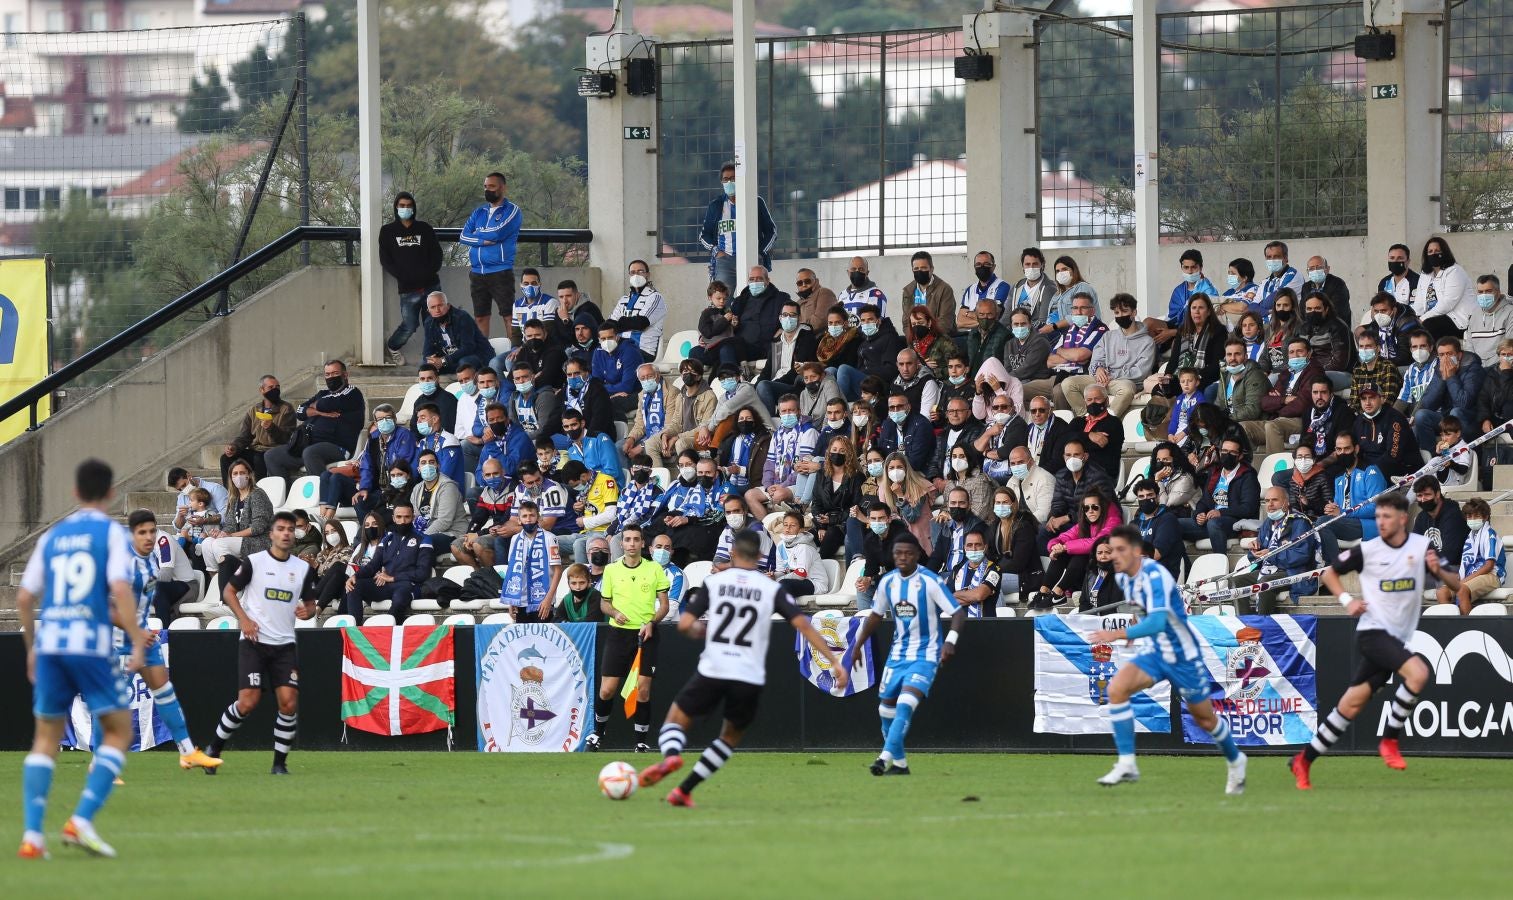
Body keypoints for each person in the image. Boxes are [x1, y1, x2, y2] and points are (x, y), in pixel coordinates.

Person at [637, 530, 843, 807]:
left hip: (714, 667)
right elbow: (803, 624)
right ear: (760, 556)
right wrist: (833, 660)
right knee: (730, 737)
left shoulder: (715, 583)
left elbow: (685, 624)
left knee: (675, 720)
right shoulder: (771, 589)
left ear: (732, 553)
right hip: (748, 675)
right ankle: (684, 790)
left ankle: (672, 754)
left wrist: (703, 631)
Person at [16, 460, 151, 859]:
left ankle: (32, 838)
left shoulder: (53, 535)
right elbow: (120, 590)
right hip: (90, 644)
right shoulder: (110, 533)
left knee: (45, 738)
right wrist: (138, 641)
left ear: (75, 493)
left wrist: (31, 649)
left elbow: (24, 598)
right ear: (110, 493)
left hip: (52, 642)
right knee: (119, 730)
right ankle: (82, 820)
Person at [1089, 526, 1247, 793]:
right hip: (1154, 653)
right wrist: (1134, 629)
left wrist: (1118, 633)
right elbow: (1144, 611)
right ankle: (1127, 762)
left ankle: (1236, 759)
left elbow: (1160, 621)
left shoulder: (1155, 576)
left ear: (1137, 551)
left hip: (1182, 656)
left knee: (1205, 720)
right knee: (1117, 689)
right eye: (1111, 550)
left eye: (1120, 549)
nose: (1113, 555)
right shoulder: (1124, 578)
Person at [1289, 493, 1432, 789]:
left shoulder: (1418, 547)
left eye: (1386, 516)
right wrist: (1346, 600)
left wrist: (1444, 572)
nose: (1380, 522)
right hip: (1373, 633)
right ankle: (1390, 741)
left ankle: (1303, 759)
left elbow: (1447, 576)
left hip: (1395, 637)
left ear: (1403, 519)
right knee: (1418, 674)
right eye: (1377, 516)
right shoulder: (1368, 549)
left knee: (1350, 706)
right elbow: (1329, 574)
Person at [842, 532, 968, 776]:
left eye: (908, 553)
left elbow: (958, 613)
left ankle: (883, 757)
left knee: (905, 703)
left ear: (918, 555)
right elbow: (876, 616)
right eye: (898, 553)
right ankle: (900, 764)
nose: (902, 558)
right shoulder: (888, 582)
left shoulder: (930, 581)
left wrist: (950, 642)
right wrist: (857, 646)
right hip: (897, 655)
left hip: (926, 654)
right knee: (885, 710)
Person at [204, 511, 317, 780]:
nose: (287, 533)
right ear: (272, 534)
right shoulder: (255, 562)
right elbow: (229, 591)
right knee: (247, 703)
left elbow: (311, 605)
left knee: (289, 703)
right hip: (254, 643)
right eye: (281, 528)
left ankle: (280, 764)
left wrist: (309, 611)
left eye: (291, 529)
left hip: (284, 645)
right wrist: (243, 619)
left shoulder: (302, 569)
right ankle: (214, 749)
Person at [590, 524, 671, 753]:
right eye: (627, 539)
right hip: (618, 634)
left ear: (643, 543)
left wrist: (651, 623)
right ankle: (598, 733)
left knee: (643, 690)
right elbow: (605, 603)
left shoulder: (655, 569)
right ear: (622, 543)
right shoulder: (611, 570)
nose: (632, 544)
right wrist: (615, 613)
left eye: (636, 539)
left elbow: (664, 605)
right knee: (607, 690)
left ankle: (641, 742)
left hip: (646, 634)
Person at [264, 360, 366, 478]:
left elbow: (326, 404)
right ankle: (285, 493)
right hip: (307, 444)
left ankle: (323, 492)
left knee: (311, 453)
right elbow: (300, 411)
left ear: (345, 375)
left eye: (335, 373)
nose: (331, 377)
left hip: (337, 446)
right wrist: (320, 412)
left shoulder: (352, 393)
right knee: (271, 455)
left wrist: (315, 406)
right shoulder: (322, 393)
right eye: (327, 374)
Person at [1061, 293, 1153, 417]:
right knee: (1068, 384)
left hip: (1125, 381)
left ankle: (1107, 420)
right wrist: (1098, 369)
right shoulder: (1108, 336)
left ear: (1134, 312)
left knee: (1126, 390)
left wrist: (1111, 375)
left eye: (1124, 311)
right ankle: (1086, 419)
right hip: (1101, 378)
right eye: (1116, 313)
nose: (1120, 316)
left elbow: (1140, 371)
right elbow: (1096, 359)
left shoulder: (1147, 341)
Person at [378, 190, 443, 365]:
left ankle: (432, 358)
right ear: (396, 208)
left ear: (414, 208)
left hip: (431, 286)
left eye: (409, 206)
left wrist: (427, 274)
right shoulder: (387, 231)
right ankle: (393, 346)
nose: (405, 209)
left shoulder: (424, 229)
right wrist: (405, 277)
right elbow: (386, 260)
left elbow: (437, 255)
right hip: (407, 289)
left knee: (434, 323)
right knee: (410, 325)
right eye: (402, 206)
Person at [321, 404, 416, 523]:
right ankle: (328, 519)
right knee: (353, 493)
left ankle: (365, 530)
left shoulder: (404, 435)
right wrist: (364, 488)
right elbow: (367, 466)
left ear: (395, 419)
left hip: (396, 488)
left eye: (388, 418)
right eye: (381, 419)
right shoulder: (374, 438)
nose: (385, 421)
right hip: (376, 488)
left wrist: (389, 488)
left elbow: (402, 465)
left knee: (361, 502)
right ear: (375, 423)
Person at [341, 502, 433, 624]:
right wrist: (355, 576)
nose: (403, 521)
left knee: (400, 599)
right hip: (385, 585)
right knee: (355, 586)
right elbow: (373, 566)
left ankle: (387, 632)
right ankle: (355, 631)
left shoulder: (424, 539)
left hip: (408, 585)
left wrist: (393, 578)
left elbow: (423, 573)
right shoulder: (386, 539)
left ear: (413, 517)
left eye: (407, 517)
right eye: (399, 517)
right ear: (393, 518)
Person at [1232, 486, 1319, 614]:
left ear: (1286, 502)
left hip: (1293, 571)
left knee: (1265, 583)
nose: (1270, 504)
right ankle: (1246, 623)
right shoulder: (1268, 522)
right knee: (1236, 582)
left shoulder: (1299, 522)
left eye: (1275, 500)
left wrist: (1271, 554)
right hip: (1269, 569)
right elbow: (1260, 555)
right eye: (1267, 501)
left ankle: (1264, 623)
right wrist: (1254, 551)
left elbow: (1302, 556)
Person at [458, 171, 522, 337]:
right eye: (485, 187)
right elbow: (463, 236)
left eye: (492, 186)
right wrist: (482, 240)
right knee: (480, 317)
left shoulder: (513, 211)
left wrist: (478, 233)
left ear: (503, 188)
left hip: (500, 272)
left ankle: (513, 356)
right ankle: (483, 356)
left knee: (509, 316)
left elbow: (497, 234)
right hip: (477, 272)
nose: (488, 190)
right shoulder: (479, 212)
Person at [1038, 485, 1121, 611]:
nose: (1090, 511)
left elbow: (1096, 543)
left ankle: (1059, 592)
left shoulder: (1113, 521)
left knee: (1080, 555)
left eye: (1095, 507)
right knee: (1062, 554)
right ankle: (1044, 591)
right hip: (1084, 573)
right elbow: (1064, 537)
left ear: (1102, 508)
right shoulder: (1084, 523)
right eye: (1086, 508)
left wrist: (1065, 547)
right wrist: (1055, 547)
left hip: (1107, 572)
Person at [700, 161, 775, 288]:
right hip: (725, 261)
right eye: (726, 179)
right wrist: (716, 251)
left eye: (733, 179)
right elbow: (704, 235)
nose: (729, 182)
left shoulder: (755, 202)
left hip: (752, 259)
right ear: (721, 182)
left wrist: (760, 252)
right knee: (722, 300)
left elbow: (771, 232)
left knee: (755, 299)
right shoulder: (716, 205)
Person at [1318, 431, 1388, 565]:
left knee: (1322, 523)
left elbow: (1376, 508)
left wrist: (1342, 512)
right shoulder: (1339, 477)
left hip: (1370, 524)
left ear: (1356, 449)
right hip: (1349, 523)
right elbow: (1339, 508)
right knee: (1317, 523)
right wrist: (1332, 508)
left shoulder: (1370, 471)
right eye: (1339, 449)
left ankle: (1335, 567)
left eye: (1347, 448)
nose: (1343, 453)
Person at [647, 453, 728, 567]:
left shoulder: (725, 489)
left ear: (715, 474)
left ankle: (675, 569)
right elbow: (688, 509)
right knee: (661, 525)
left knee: (685, 535)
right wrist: (673, 518)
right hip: (693, 520)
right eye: (700, 473)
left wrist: (688, 520)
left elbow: (717, 517)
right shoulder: (697, 486)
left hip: (711, 527)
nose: (703, 476)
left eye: (708, 472)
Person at [1180, 436, 1259, 553]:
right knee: (1171, 523)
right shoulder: (1215, 472)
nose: (1227, 454)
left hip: (1234, 522)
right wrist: (1199, 514)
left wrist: (1220, 512)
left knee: (1214, 523)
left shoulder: (1247, 476)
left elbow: (1248, 508)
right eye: (1225, 451)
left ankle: (1220, 561)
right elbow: (1204, 501)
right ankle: (1184, 565)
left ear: (1240, 456)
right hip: (1211, 521)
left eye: (1232, 452)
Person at [1430, 500, 1506, 615]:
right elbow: (1466, 564)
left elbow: (1489, 566)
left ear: (1485, 517)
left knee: (1461, 589)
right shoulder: (1469, 538)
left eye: (1477, 516)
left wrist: (1464, 581)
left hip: (1492, 575)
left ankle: (1466, 628)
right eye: (1469, 516)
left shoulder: (1490, 535)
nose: (1472, 519)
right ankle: (1451, 627)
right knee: (1442, 592)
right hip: (1471, 576)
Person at [199, 460, 272, 576]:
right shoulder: (234, 498)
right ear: (231, 477)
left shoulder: (257, 494)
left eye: (242, 473)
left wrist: (230, 535)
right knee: (207, 543)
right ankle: (215, 579)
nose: (239, 476)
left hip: (258, 541)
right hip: (238, 540)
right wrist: (221, 533)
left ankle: (231, 579)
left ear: (249, 475)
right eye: (235, 474)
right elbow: (230, 525)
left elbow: (258, 527)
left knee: (220, 544)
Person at [1148, 293, 1225, 399]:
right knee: (1158, 390)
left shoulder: (1219, 331)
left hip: (1203, 377)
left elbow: (1217, 364)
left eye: (1201, 308)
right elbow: (1173, 360)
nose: (1197, 311)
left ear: (1208, 312)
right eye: (1194, 308)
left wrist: (1193, 376)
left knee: (1189, 388)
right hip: (1181, 378)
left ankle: (1176, 412)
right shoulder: (1183, 331)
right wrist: (1168, 375)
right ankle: (1169, 413)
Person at [1257, 337, 1327, 453]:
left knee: (1272, 426)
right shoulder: (1286, 373)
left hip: (1301, 420)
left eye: (1300, 351)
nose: (1295, 355)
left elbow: (1301, 405)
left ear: (1309, 354)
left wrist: (1277, 406)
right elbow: (1264, 402)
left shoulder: (1315, 372)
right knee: (1243, 427)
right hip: (1278, 419)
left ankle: (1275, 469)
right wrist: (1284, 400)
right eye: (1291, 352)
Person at [497, 500, 563, 621]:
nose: (528, 519)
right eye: (524, 516)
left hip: (542, 600)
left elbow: (558, 571)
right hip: (520, 600)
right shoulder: (515, 539)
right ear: (519, 520)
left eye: (532, 515)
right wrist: (512, 599)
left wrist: (548, 599)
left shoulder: (550, 538)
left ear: (538, 517)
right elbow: (512, 570)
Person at [222, 375, 295, 481]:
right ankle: (230, 494)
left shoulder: (286, 409)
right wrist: (234, 447)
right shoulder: (254, 410)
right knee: (226, 458)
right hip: (255, 450)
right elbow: (245, 436)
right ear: (262, 390)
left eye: (277, 387)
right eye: (271, 387)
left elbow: (286, 438)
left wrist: (271, 428)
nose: (275, 390)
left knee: (259, 459)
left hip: (273, 451)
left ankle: (259, 494)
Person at [754, 299, 819, 412]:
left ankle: (772, 423)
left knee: (764, 386)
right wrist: (754, 388)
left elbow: (796, 371)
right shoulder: (776, 342)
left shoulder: (806, 338)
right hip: (774, 385)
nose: (788, 318)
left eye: (792, 315)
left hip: (794, 386)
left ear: (799, 318)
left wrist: (772, 384)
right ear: (780, 318)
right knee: (748, 389)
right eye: (785, 315)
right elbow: (767, 371)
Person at [1044, 438, 1115, 538]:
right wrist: (1052, 517)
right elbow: (1058, 503)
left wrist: (1067, 517)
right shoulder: (1061, 475)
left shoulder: (1097, 476)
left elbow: (1098, 508)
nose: (1072, 459)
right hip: (1074, 523)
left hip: (1095, 523)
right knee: (1044, 530)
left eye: (1076, 454)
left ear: (1085, 456)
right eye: (1068, 455)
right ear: (1064, 457)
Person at [1147, 248, 1219, 344]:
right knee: (1148, 323)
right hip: (1177, 325)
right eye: (1186, 267)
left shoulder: (1208, 291)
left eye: (1193, 267)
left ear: (1200, 268)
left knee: (1176, 343)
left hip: (1195, 330)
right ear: (1181, 268)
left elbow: (1205, 322)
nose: (1189, 271)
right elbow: (1172, 317)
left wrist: (1172, 333)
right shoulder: (1179, 290)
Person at [451, 457, 511, 570]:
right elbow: (478, 519)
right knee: (456, 546)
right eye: (488, 475)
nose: (492, 477)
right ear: (483, 476)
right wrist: (469, 535)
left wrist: (478, 534)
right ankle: (478, 577)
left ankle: (494, 580)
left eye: (495, 473)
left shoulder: (514, 489)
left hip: (506, 532)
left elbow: (505, 521)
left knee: (479, 544)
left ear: (503, 472)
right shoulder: (486, 491)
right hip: (493, 531)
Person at [1353, 383, 1420, 480]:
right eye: (1363, 398)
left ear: (1382, 399)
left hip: (1401, 471)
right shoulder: (1359, 421)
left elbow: (1393, 456)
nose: (1367, 402)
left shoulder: (1395, 419)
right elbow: (1356, 452)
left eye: (1372, 398)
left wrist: (1368, 472)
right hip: (1370, 472)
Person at [837, 306, 903, 402]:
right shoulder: (863, 343)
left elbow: (891, 370)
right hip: (864, 384)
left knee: (844, 368)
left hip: (879, 385)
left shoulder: (890, 338)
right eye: (863, 320)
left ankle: (838, 405)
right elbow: (859, 367)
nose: (866, 323)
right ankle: (830, 407)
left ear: (879, 321)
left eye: (870, 319)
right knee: (831, 371)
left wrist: (866, 371)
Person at [421, 290, 493, 376]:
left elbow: (468, 347)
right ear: (428, 311)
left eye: (440, 305)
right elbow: (427, 351)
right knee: (425, 365)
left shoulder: (462, 317)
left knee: (464, 363)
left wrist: (443, 361)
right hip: (450, 359)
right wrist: (431, 361)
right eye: (433, 307)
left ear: (448, 306)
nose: (437, 310)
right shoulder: (429, 323)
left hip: (477, 355)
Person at [988, 487, 1042, 602]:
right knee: (983, 581)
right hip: (1003, 572)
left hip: (1025, 577)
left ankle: (992, 619)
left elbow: (1018, 564)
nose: (1001, 505)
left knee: (989, 583)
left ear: (1013, 504)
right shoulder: (994, 526)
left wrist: (995, 569)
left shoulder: (1023, 527)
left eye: (1005, 502)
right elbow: (990, 555)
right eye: (998, 502)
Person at [1417, 235, 1475, 341]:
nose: (1433, 254)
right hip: (1433, 316)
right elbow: (1419, 302)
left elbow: (1447, 303)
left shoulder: (1455, 271)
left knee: (1429, 326)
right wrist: (1414, 318)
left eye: (1437, 251)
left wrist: (1423, 318)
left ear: (1444, 252)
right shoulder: (1425, 275)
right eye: (1430, 251)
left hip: (1458, 319)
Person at [1412, 475, 1467, 585]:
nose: (1423, 499)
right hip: (1430, 568)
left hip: (1455, 568)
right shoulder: (1421, 517)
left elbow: (1449, 556)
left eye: (1427, 495)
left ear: (1437, 494)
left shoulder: (1453, 515)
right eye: (1419, 495)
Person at [878, 451, 937, 554]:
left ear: (906, 468)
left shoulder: (920, 486)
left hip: (921, 540)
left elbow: (912, 517)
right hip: (899, 539)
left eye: (899, 467)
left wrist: (900, 495)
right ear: (886, 471)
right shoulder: (883, 488)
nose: (895, 471)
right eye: (891, 468)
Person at [1299, 376, 1357, 480]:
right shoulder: (1308, 412)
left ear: (1331, 393)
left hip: (1336, 463)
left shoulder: (1343, 412)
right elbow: (1302, 445)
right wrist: (1299, 466)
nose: (1319, 396)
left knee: (1318, 478)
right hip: (1310, 463)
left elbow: (1341, 450)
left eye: (1323, 392)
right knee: (1279, 477)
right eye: (1315, 392)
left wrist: (1318, 466)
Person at [410, 449, 466, 556]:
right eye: (423, 463)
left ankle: (423, 572)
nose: (427, 466)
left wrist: (421, 537)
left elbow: (444, 521)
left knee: (423, 545)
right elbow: (416, 517)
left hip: (451, 533)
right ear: (418, 469)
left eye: (431, 462)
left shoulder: (448, 486)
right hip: (428, 532)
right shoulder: (417, 489)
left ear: (438, 466)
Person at [612, 260, 669, 361]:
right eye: (633, 272)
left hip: (643, 349)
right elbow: (610, 324)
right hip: (621, 347)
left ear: (648, 275)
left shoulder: (655, 297)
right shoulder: (623, 299)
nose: (636, 275)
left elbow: (641, 323)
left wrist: (620, 322)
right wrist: (622, 323)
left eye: (640, 272)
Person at [1066, 383, 1124, 478]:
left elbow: (1096, 446)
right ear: (1085, 402)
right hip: (1075, 473)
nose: (1093, 402)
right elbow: (1063, 439)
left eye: (1097, 399)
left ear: (1106, 401)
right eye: (1089, 400)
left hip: (1101, 475)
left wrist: (1075, 439)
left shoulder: (1114, 422)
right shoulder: (1077, 421)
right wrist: (1089, 435)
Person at [1131, 478, 1185, 579]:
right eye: (1141, 496)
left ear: (1158, 498)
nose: (1145, 499)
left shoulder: (1168, 520)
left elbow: (1155, 555)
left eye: (1150, 495)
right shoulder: (1134, 524)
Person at [591, 319, 644, 418]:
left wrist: (605, 391)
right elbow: (596, 384)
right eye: (603, 339)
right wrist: (610, 394)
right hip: (613, 394)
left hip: (636, 393)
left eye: (610, 337)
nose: (607, 342)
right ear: (599, 339)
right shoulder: (598, 352)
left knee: (607, 404)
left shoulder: (630, 351)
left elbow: (626, 387)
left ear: (617, 337)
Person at [876, 390, 935, 476]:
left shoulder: (921, 425)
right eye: (892, 407)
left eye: (900, 406)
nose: (895, 410)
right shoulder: (887, 424)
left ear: (909, 407)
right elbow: (882, 453)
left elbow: (916, 461)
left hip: (917, 474)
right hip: (892, 472)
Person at [956, 249, 1014, 332]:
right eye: (978, 264)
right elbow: (960, 322)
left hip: (992, 335)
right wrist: (984, 322)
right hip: (969, 335)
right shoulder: (970, 290)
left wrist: (968, 314)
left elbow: (994, 317)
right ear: (974, 268)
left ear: (993, 267)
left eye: (986, 264)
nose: (982, 267)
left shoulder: (1002, 286)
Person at [947, 527, 1000, 618]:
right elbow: (947, 600)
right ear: (964, 548)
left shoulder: (994, 569)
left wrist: (956, 594)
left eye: (978, 545)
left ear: (985, 547)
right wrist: (972, 595)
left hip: (986, 626)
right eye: (969, 545)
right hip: (960, 626)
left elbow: (979, 595)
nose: (973, 549)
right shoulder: (957, 569)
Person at [772, 510, 828, 596]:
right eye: (785, 525)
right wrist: (773, 576)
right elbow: (781, 571)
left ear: (801, 529)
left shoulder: (804, 547)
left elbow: (801, 574)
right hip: (792, 580)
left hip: (814, 583)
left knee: (784, 585)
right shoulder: (780, 545)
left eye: (792, 526)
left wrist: (779, 580)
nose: (787, 529)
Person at [1040, 255, 1098, 333]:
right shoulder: (1058, 294)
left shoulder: (1082, 287)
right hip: (1058, 334)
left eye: (1064, 269)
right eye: (1058, 271)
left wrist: (1054, 326)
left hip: (1081, 333)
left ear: (1074, 270)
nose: (1061, 273)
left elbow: (1081, 316)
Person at [506, 359, 561, 441]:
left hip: (544, 439)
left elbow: (544, 429)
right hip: (524, 439)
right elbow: (513, 425)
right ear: (514, 381)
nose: (521, 381)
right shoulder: (514, 397)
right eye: (517, 378)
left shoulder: (545, 396)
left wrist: (520, 439)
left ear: (533, 377)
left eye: (525, 377)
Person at [1364, 289, 1421, 366]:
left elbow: (1404, 357)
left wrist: (1380, 364)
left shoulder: (1406, 323)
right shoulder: (1378, 320)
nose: (1379, 315)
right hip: (1388, 363)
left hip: (1408, 365)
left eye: (1383, 311)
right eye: (1376, 311)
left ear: (1393, 310)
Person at [1141, 441, 1199, 516]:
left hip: (1184, 518)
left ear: (1176, 460)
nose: (1160, 463)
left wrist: (1158, 481)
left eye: (1165, 459)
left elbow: (1165, 505)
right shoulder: (1158, 476)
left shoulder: (1185, 478)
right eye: (1158, 460)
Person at [1349, 333, 1401, 413]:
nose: (1364, 350)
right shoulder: (1357, 370)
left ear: (1378, 348)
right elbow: (1354, 401)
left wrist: (1369, 416)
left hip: (1383, 416)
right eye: (1361, 346)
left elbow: (1388, 400)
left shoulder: (1388, 367)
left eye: (1368, 346)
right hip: (1363, 416)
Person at [901, 250, 956, 326]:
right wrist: (911, 336)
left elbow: (945, 322)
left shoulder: (944, 289)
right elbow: (906, 322)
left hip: (940, 336)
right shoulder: (908, 291)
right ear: (912, 270)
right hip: (915, 335)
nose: (919, 271)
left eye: (923, 268)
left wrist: (928, 337)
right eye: (916, 269)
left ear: (932, 269)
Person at [1283, 444, 1331, 522]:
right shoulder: (1294, 479)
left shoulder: (1322, 477)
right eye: (1299, 457)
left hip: (1319, 519)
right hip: (1301, 519)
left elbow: (1329, 505)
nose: (1303, 460)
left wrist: (1309, 503)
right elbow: (1293, 504)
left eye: (1307, 456)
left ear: (1314, 460)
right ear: (1295, 460)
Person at [967, 297, 1014, 375]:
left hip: (991, 379)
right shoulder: (973, 332)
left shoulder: (1005, 335)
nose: (985, 318)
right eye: (981, 314)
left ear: (996, 315)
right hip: (972, 379)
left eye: (989, 314)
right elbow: (970, 359)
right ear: (976, 315)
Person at [508, 268, 554, 345]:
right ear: (521, 285)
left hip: (542, 347)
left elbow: (547, 332)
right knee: (498, 358)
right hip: (522, 348)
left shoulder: (549, 302)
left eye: (533, 283)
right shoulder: (516, 305)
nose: (530, 287)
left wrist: (522, 349)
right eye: (526, 284)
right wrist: (515, 349)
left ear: (539, 284)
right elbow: (516, 334)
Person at [837, 256, 888, 325]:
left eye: (861, 269)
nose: (857, 272)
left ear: (867, 273)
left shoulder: (875, 294)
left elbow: (877, 324)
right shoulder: (842, 295)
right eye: (853, 269)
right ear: (848, 272)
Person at [1303, 255, 1352, 325]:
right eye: (1311, 269)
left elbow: (1338, 312)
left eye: (1319, 267)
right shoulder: (1306, 287)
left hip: (1334, 328)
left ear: (1327, 269)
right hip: (1311, 329)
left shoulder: (1338, 284)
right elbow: (1302, 311)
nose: (1315, 271)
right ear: (1307, 271)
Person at [816, 304, 861, 373]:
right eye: (830, 323)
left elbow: (847, 364)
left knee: (831, 370)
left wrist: (820, 366)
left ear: (845, 324)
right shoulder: (823, 340)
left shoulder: (854, 339)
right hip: (824, 375)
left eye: (837, 322)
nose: (833, 326)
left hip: (843, 375)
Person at [1379, 243, 1422, 315]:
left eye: (1400, 258)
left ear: (1408, 261)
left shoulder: (1418, 281)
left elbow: (1417, 310)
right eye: (1392, 258)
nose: (1395, 261)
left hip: (1409, 321)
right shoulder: (1384, 282)